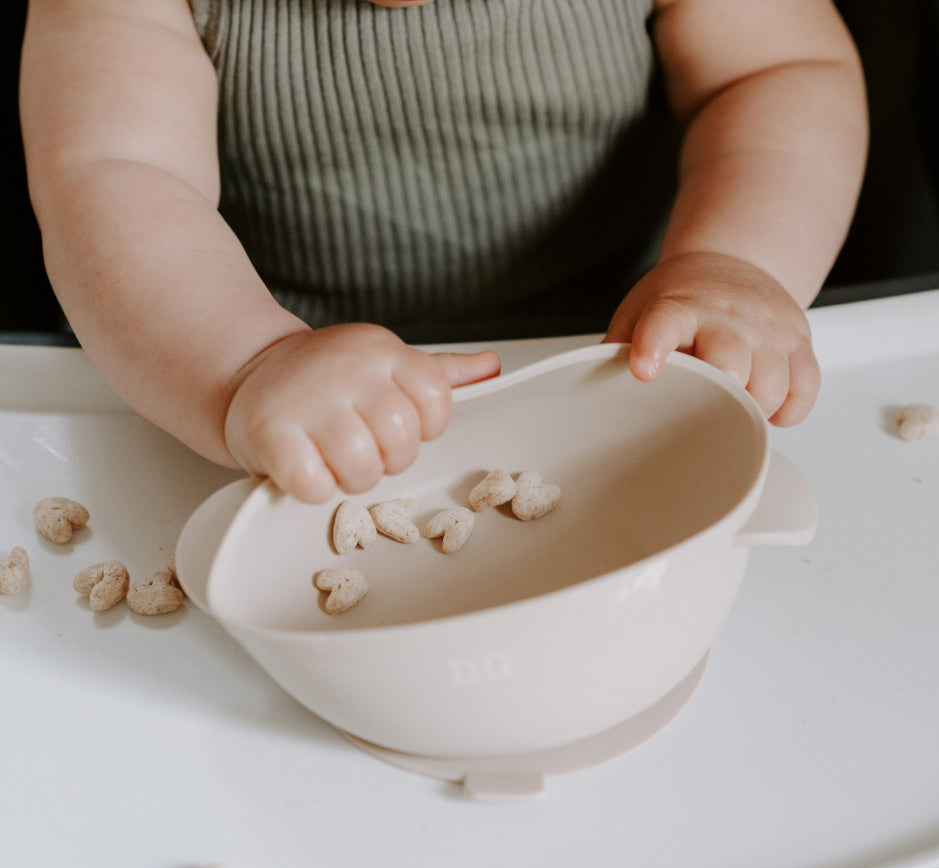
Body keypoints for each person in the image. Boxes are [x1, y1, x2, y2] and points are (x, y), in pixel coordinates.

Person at [20, 0, 868, 505]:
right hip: (257, 345)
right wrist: (244, 367)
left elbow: (777, 72)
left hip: (624, 335)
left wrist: (735, 264)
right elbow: (116, 177)